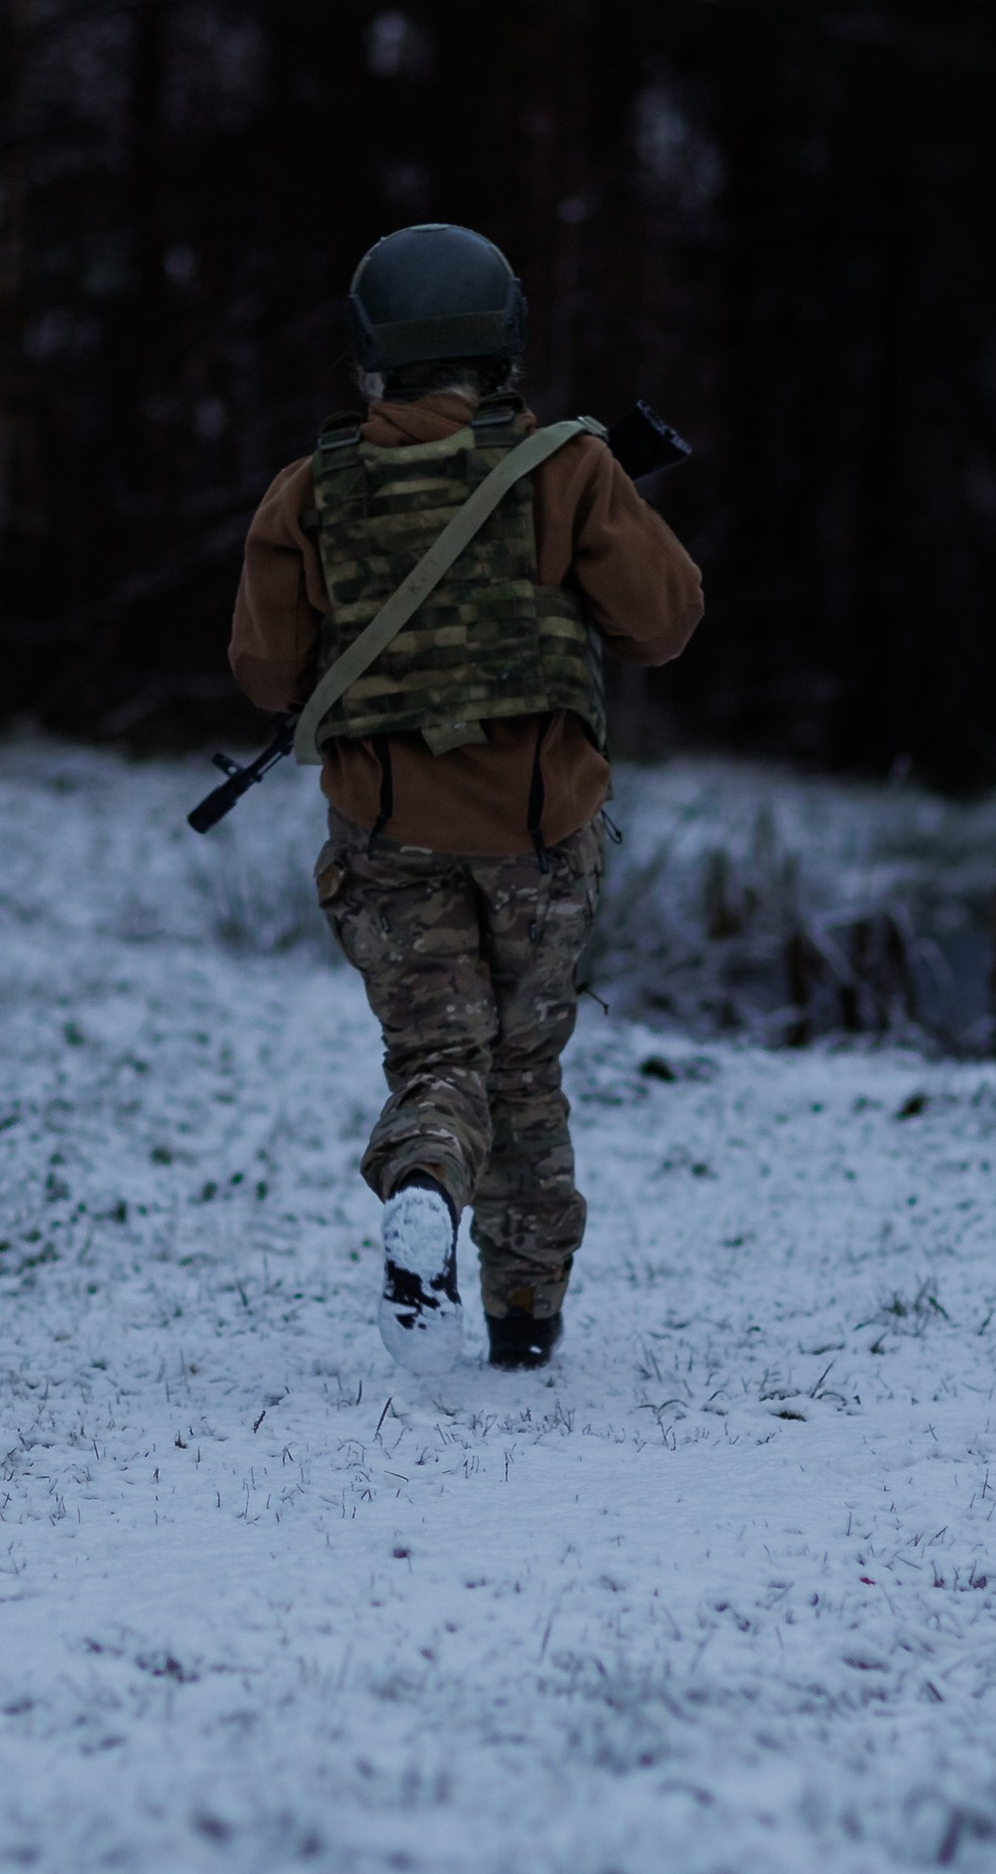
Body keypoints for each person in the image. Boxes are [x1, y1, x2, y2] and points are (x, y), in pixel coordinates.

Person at [228, 220, 703, 1372]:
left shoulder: (310, 491)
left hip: (386, 835)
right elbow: (663, 623)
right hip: (539, 835)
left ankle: (426, 1184)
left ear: (368, 349)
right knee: (523, 1064)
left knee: (439, 1057)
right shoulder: (566, 469)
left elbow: (265, 675)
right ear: (503, 341)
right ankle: (524, 1317)